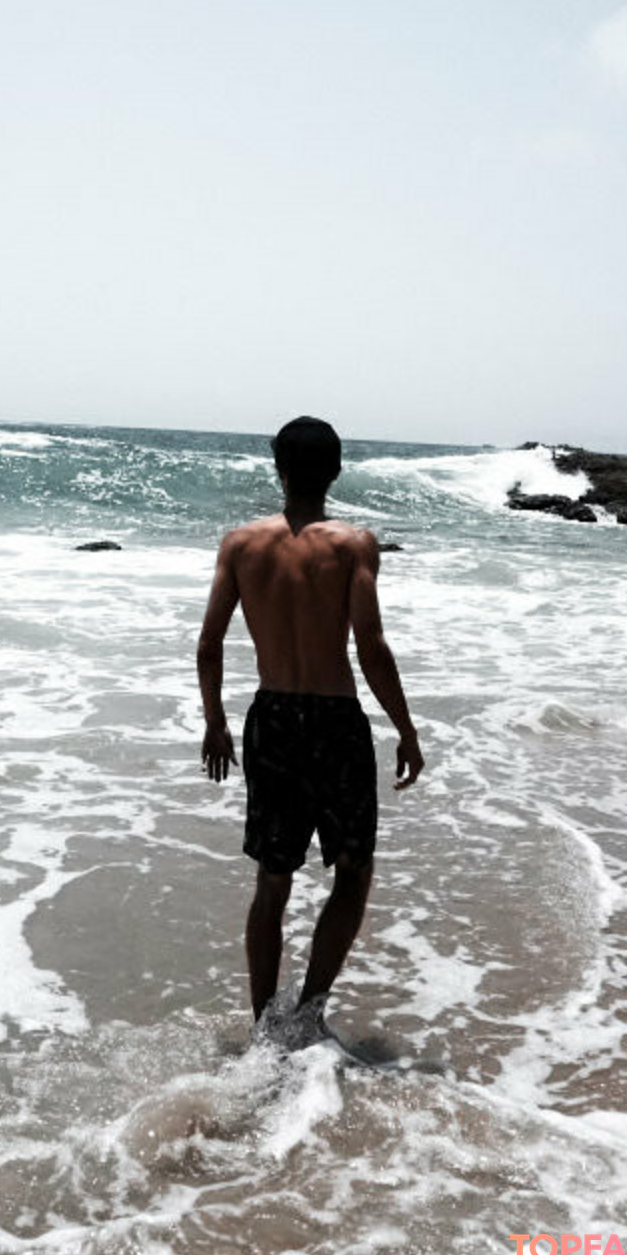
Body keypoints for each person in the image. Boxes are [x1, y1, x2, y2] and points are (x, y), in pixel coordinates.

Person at [196, 415, 424, 1026]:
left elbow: (209, 646)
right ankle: (309, 1011)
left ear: (278, 468)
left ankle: (264, 1024)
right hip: (335, 723)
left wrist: (215, 722)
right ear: (337, 470)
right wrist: (406, 730)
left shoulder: (240, 545)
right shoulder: (354, 545)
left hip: (271, 719)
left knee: (272, 881)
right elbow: (371, 646)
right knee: (352, 872)